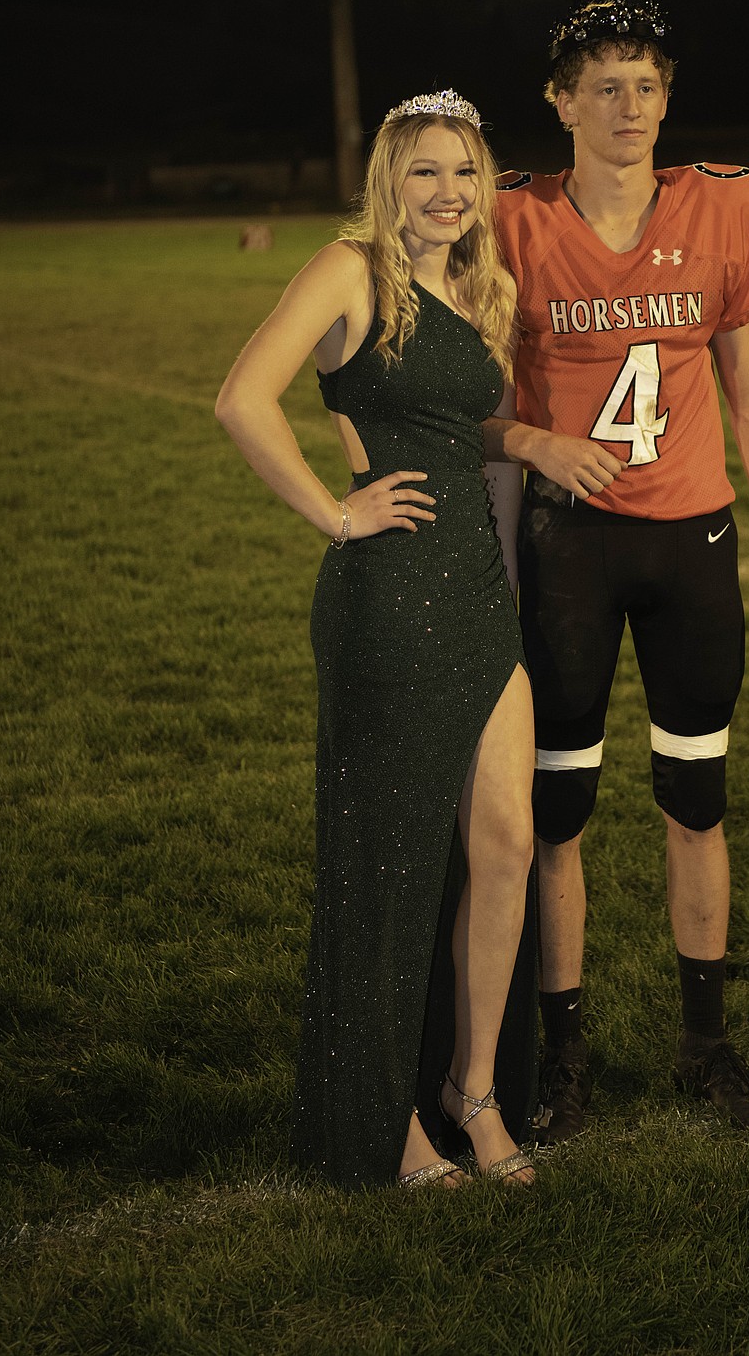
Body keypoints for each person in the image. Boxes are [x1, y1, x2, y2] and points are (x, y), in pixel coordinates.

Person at [484, 0, 749, 1143]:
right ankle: (564, 1059)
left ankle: (705, 1051)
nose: (629, 107)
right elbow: (468, 409)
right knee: (561, 809)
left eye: (647, 85)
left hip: (693, 540)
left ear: (666, 97)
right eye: (605, 85)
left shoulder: (726, 211)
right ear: (561, 100)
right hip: (567, 546)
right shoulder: (510, 223)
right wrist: (530, 445)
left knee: (697, 797)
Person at [216, 90, 536, 1188]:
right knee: (389, 869)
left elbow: (466, 429)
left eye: (463, 172)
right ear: (389, 179)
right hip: (390, 596)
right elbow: (241, 399)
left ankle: (475, 1091)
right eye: (423, 172)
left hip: (480, 594)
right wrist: (338, 511)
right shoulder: (351, 270)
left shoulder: (483, 282)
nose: (447, 193)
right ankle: (385, 1121)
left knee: (504, 847)